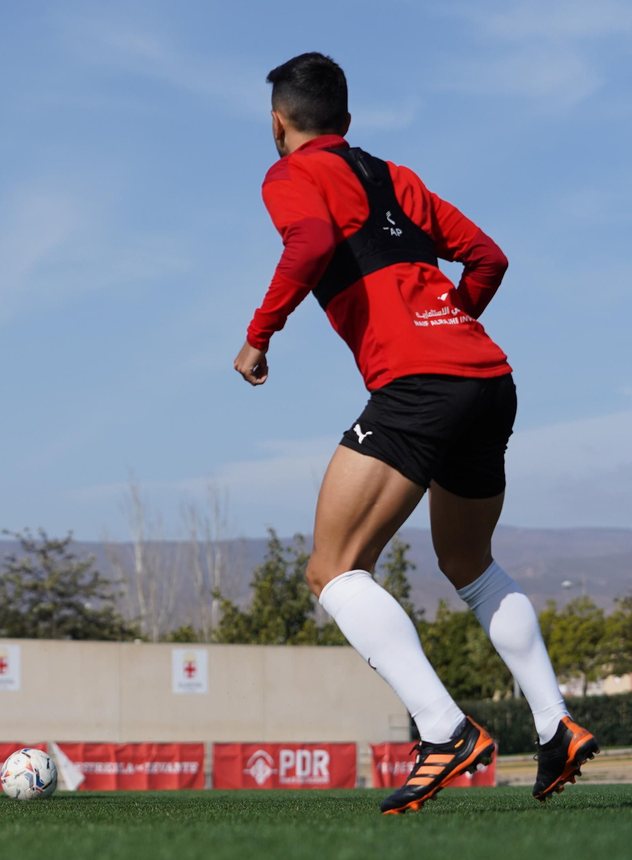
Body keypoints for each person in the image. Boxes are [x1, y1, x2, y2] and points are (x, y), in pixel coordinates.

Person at [234, 53, 598, 814]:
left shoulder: (290, 174)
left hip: (419, 387)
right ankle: (553, 722)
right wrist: (451, 330)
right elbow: (487, 257)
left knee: (332, 569)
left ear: (278, 123)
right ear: (348, 122)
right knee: (469, 562)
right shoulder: (392, 174)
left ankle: (443, 730)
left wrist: (260, 333)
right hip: (487, 380)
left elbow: (306, 246)